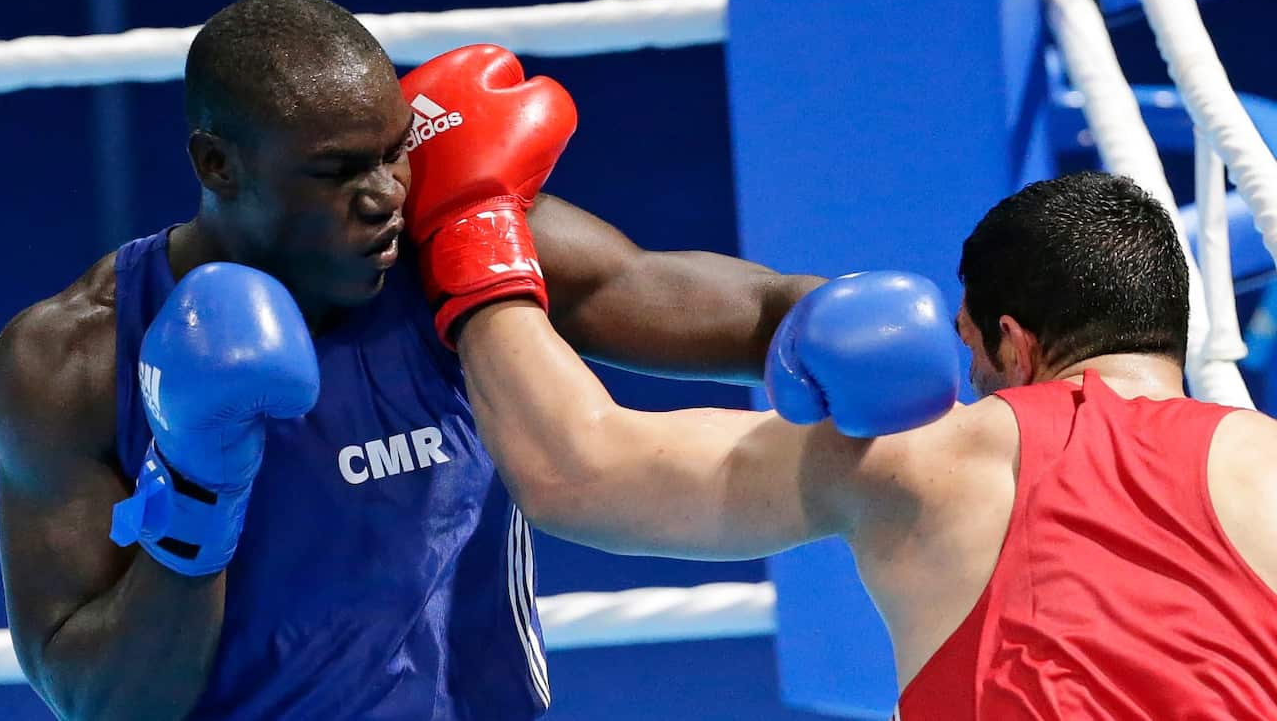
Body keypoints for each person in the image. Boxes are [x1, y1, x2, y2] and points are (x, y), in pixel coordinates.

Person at [0, 0, 824, 720]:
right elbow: (94, 698)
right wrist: (195, 499)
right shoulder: (74, 360)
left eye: (393, 150)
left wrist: (832, 319)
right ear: (217, 164)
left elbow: (722, 307)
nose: (386, 193)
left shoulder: (448, 242)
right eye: (336, 171)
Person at [441, 126, 1277, 720]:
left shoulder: (928, 449)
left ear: (1013, 345)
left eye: (973, 353)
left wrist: (472, 239)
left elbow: (583, 472)